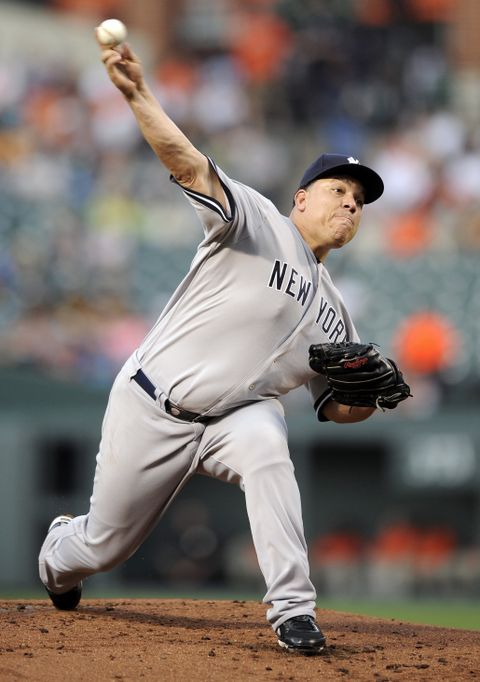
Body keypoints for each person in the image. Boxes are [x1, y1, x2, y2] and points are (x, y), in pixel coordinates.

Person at [39, 37, 386, 655]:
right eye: (340, 190)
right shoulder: (257, 221)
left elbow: (337, 410)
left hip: (236, 418)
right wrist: (137, 94)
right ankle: (59, 552)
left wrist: (368, 398)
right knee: (102, 547)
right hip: (154, 403)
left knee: (267, 444)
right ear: (302, 196)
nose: (350, 204)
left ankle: (292, 611)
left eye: (358, 201)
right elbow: (188, 163)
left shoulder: (337, 312)